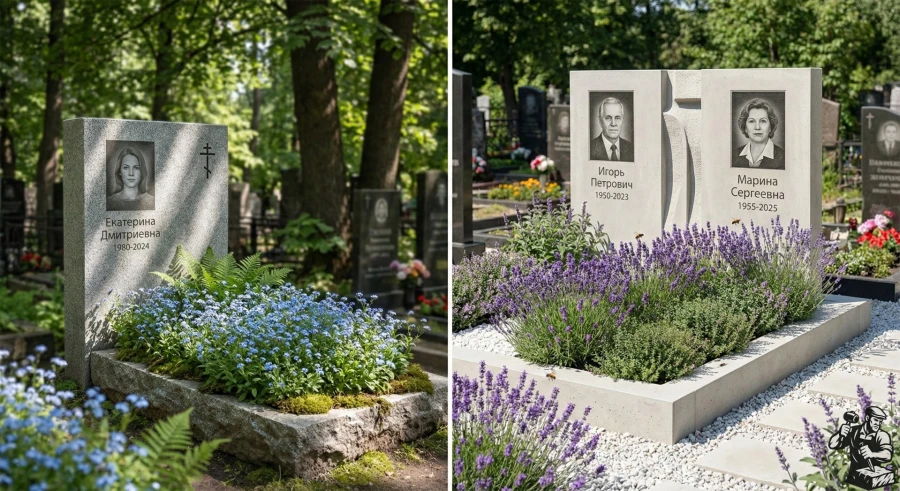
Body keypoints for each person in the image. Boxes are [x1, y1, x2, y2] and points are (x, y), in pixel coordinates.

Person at [829, 406, 893, 488]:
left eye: (880, 421)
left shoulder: (882, 435)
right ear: (867, 418)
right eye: (876, 420)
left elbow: (888, 455)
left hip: (874, 478)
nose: (878, 423)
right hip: (854, 476)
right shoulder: (854, 431)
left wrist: (872, 454)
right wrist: (839, 434)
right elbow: (833, 445)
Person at [732, 98, 785, 170]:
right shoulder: (733, 155)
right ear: (745, 128)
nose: (757, 127)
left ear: (770, 127)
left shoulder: (784, 157)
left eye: (763, 121)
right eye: (751, 121)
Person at [590, 97, 633, 162]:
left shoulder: (632, 148)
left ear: (622, 120)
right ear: (600, 121)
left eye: (617, 118)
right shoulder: (589, 148)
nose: (613, 123)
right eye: (608, 118)